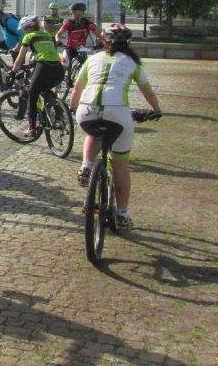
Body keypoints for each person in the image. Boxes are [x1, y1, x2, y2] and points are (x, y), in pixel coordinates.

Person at [69, 24, 162, 230]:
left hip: (86, 111)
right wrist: (156, 110)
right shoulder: (132, 62)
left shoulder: (92, 59)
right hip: (118, 113)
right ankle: (122, 213)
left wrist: (72, 108)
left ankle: (86, 165)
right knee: (120, 164)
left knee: (94, 132)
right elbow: (147, 90)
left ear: (104, 40)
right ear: (128, 42)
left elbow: (77, 89)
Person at [8, 15, 65, 137]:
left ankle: (31, 129)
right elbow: (48, 52)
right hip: (59, 69)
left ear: (29, 27)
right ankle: (58, 114)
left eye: (24, 29)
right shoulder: (47, 35)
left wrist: (13, 71)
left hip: (44, 67)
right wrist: (33, 63)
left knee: (32, 95)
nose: (24, 31)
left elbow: (20, 57)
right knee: (45, 89)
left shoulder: (29, 36)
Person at [56, 3, 99, 68]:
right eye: (73, 11)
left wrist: (101, 43)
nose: (73, 13)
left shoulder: (89, 24)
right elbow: (58, 34)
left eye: (75, 11)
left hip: (82, 49)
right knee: (63, 66)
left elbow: (99, 36)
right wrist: (58, 41)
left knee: (86, 67)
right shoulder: (69, 23)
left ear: (82, 12)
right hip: (69, 49)